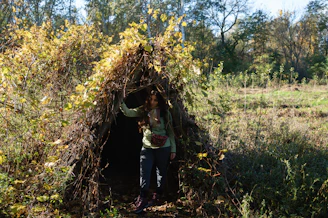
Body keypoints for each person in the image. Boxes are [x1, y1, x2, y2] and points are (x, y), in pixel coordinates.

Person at [120, 89, 176, 214]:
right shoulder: (143, 110)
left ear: (159, 101)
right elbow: (128, 113)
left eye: (155, 100)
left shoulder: (165, 113)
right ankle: (143, 198)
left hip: (164, 147)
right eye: (151, 99)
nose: (152, 102)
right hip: (147, 147)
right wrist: (120, 101)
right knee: (144, 172)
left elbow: (171, 132)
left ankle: (158, 195)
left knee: (161, 172)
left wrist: (173, 149)